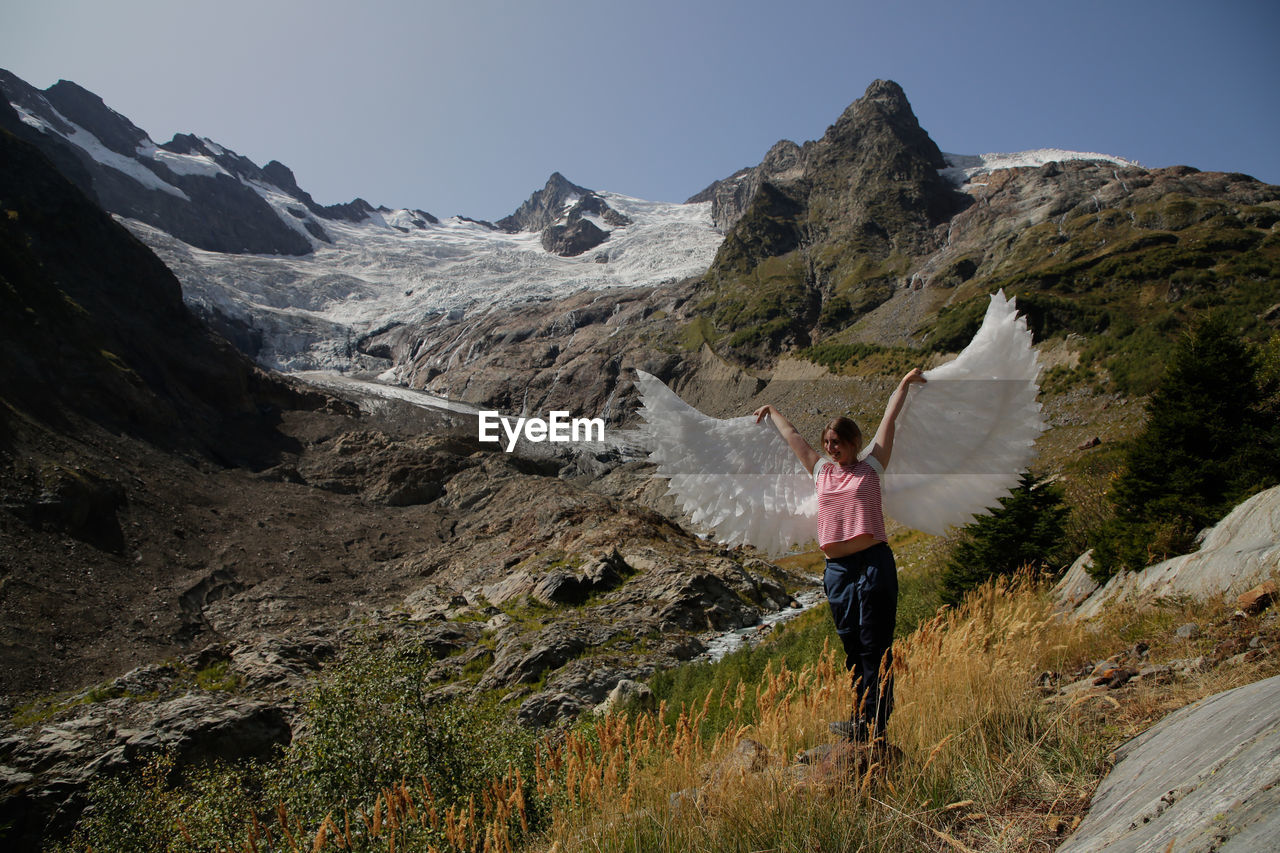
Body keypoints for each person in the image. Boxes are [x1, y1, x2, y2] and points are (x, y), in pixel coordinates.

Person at [753, 368, 926, 747]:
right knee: (851, 644)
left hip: (872, 563)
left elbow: (888, 420)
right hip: (836, 572)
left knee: (873, 642)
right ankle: (861, 716)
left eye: (837, 442)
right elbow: (794, 438)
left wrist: (901, 386)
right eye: (828, 442)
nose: (831, 448)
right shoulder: (821, 472)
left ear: (852, 442)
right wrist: (773, 409)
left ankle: (873, 722)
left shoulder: (871, 466)